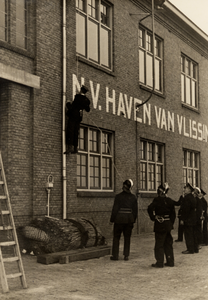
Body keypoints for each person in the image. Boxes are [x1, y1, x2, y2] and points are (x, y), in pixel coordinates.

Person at [147, 182, 176, 268]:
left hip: (160, 225)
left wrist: (153, 217)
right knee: (168, 243)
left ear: (160, 191)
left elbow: (149, 208)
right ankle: (170, 261)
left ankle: (159, 262)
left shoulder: (157, 200)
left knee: (159, 244)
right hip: (168, 225)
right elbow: (173, 215)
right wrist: (170, 224)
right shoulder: (170, 201)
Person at [110, 179, 138, 261]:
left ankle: (115, 255)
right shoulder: (133, 197)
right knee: (127, 237)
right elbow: (135, 211)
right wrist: (133, 220)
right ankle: (126, 255)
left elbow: (115, 209)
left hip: (119, 219)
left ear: (124, 186)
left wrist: (112, 220)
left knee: (116, 237)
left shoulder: (118, 197)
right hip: (129, 219)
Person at [64, 85, 90, 154]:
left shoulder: (77, 97)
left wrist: (68, 104)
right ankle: (75, 148)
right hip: (79, 117)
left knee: (70, 131)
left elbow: (72, 108)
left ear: (81, 90)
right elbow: (88, 109)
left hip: (73, 115)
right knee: (76, 131)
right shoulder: (87, 100)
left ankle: (69, 148)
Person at [180, 183, 198, 254]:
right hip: (193, 219)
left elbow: (185, 210)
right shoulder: (193, 197)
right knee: (194, 234)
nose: (184, 190)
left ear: (189, 190)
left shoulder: (187, 198)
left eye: (186, 188)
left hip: (188, 219)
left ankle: (190, 249)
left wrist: (182, 219)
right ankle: (195, 248)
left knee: (188, 234)